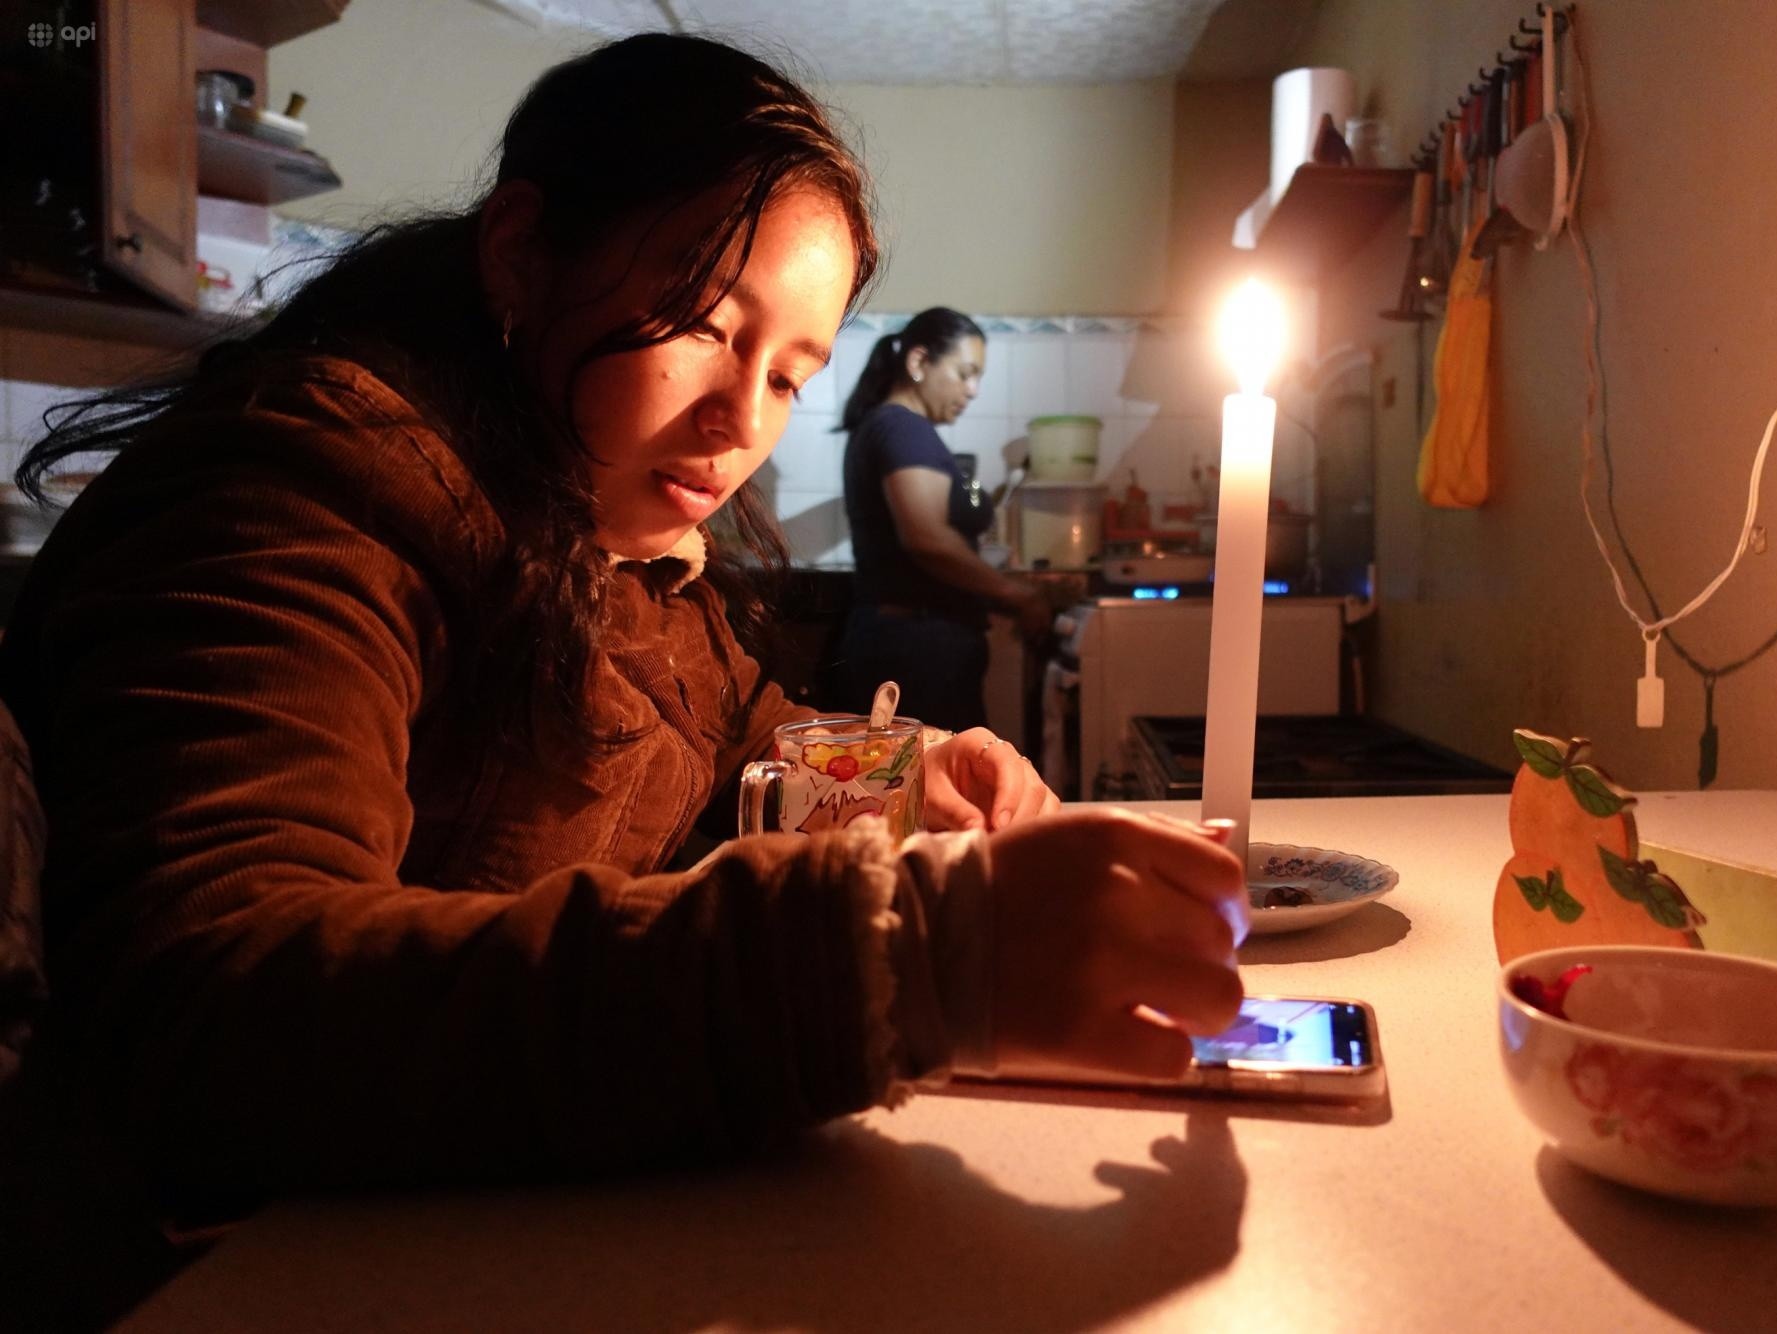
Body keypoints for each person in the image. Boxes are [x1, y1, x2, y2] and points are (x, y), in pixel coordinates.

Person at [0, 34, 1245, 1213]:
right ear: (520, 252)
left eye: (787, 375)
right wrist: (901, 959)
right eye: (702, 322)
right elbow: (220, 1007)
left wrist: (907, 772)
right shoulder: (305, 489)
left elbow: (734, 734)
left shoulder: (608, 534)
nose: (740, 422)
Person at [833, 308, 1051, 732]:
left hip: (908, 642)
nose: (973, 390)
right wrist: (1019, 596)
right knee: (929, 769)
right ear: (918, 362)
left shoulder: (890, 426)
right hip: (917, 650)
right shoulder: (904, 429)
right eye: (965, 374)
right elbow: (927, 538)